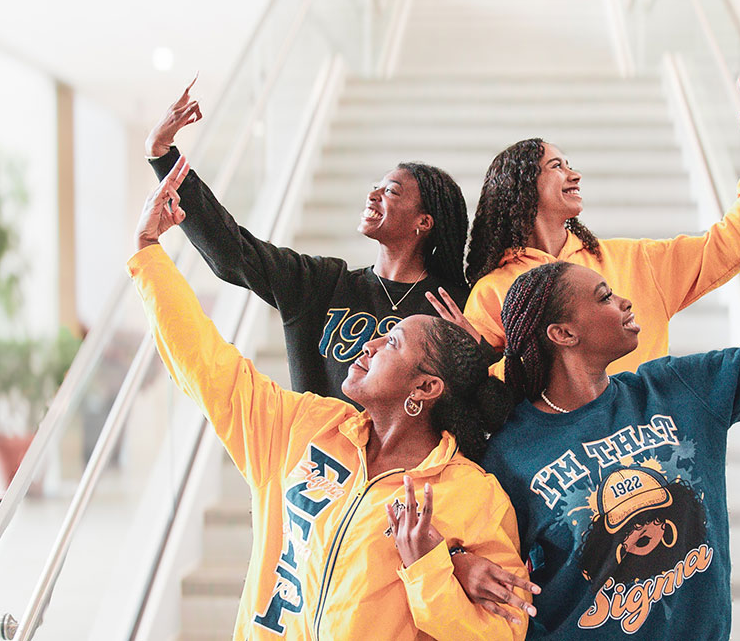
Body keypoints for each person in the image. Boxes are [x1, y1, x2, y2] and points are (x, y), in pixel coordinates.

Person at [460, 146, 740, 638]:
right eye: (602, 296)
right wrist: (457, 559)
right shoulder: (509, 454)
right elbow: (460, 535)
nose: (623, 298)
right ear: (562, 334)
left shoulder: (679, 389)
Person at [128, 158, 529, 640]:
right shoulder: (304, 428)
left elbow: (501, 632)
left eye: (393, 342)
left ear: (426, 388)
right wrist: (148, 254)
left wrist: (431, 569)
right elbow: (206, 364)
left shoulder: (472, 495)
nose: (370, 343)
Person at [144, 78, 471, 406]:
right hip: (319, 454)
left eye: (390, 191)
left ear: (423, 222)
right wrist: (163, 157)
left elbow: (478, 410)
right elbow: (233, 252)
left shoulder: (453, 306)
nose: (372, 195)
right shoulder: (322, 284)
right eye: (376, 186)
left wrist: (478, 352)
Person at [456, 80, 740, 375]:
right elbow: (484, 398)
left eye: (569, 165)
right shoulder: (493, 292)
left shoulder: (636, 260)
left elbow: (728, 244)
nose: (575, 175)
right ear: (523, 188)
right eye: (557, 166)